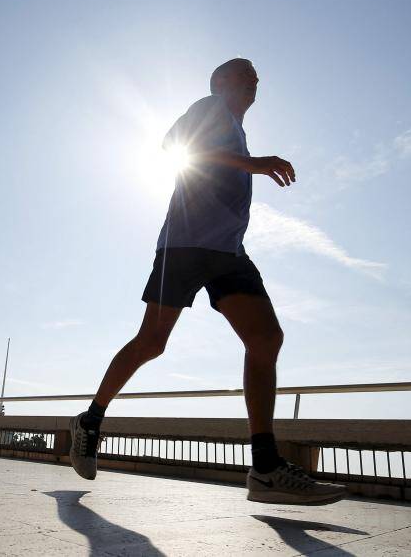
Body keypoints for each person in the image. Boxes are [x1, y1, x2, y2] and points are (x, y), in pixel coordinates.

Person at [69, 58, 347, 505]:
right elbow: (174, 145)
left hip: (228, 253)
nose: (255, 79)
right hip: (185, 244)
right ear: (221, 82)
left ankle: (265, 467)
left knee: (266, 339)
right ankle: (90, 420)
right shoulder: (210, 106)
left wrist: (246, 161)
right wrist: (251, 163)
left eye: (257, 74)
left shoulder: (236, 128)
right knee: (153, 342)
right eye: (245, 73)